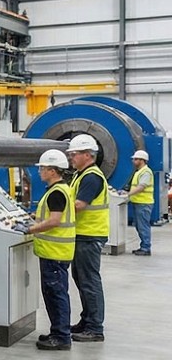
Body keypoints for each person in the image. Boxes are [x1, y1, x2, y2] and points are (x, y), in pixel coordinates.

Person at [19, 149, 75, 351]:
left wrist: (29, 228)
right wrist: (34, 217)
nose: (40, 171)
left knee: (56, 294)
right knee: (56, 293)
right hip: (57, 251)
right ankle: (58, 332)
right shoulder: (61, 189)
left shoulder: (56, 192)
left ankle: (61, 337)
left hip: (54, 252)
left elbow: (54, 220)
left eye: (43, 168)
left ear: (53, 170)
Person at [65, 134, 108, 343]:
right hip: (82, 235)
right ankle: (87, 320)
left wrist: (53, 214)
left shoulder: (91, 177)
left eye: (74, 154)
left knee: (89, 281)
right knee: (81, 279)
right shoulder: (80, 174)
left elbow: (79, 205)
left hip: (89, 236)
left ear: (87, 155)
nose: (72, 157)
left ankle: (95, 328)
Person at [125, 149, 154, 256]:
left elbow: (141, 187)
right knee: (139, 226)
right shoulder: (139, 172)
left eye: (135, 159)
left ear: (142, 160)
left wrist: (127, 194)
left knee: (143, 226)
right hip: (139, 203)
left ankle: (146, 248)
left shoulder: (146, 172)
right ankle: (144, 246)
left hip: (143, 203)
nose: (133, 161)